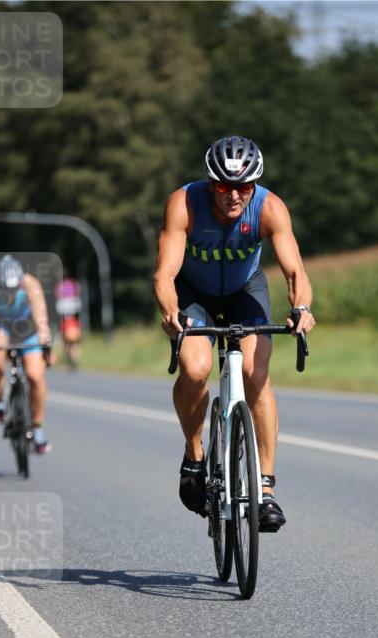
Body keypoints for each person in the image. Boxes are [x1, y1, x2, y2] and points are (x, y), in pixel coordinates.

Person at [154, 135, 315, 531]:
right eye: (225, 187)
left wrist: (301, 308)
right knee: (196, 369)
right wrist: (171, 311)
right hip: (194, 294)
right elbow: (165, 275)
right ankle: (195, 455)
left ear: (254, 185)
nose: (234, 195)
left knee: (255, 373)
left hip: (246, 290)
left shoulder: (269, 208)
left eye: (244, 186)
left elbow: (295, 272)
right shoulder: (184, 204)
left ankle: (265, 488)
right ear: (212, 183)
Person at [0, 255, 53, 454]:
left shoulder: (30, 284)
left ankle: (37, 428)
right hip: (3, 328)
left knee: (35, 377)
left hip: (28, 330)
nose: (10, 293)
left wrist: (45, 341)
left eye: (14, 289)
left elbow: (41, 317)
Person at [54, 273, 82, 369]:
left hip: (66, 322)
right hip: (73, 321)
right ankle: (73, 359)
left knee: (67, 342)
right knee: (74, 343)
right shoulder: (74, 284)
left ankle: (71, 358)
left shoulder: (60, 286)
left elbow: (58, 305)